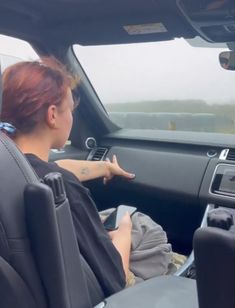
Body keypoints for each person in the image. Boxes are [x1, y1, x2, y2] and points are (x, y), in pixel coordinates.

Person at [0, 58, 172, 297]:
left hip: (29, 290)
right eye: (70, 110)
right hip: (98, 294)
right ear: (52, 115)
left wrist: (104, 167)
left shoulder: (12, 168)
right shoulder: (61, 187)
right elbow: (114, 277)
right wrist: (122, 231)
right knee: (144, 226)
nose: (71, 117)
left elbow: (50, 165)